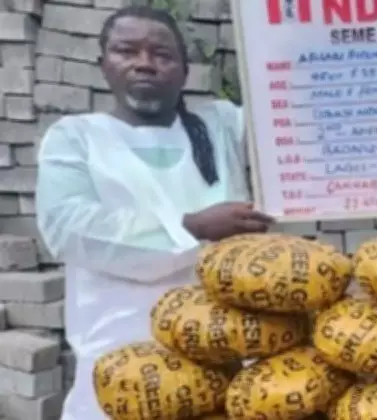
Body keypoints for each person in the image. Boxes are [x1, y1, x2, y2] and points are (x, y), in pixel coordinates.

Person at [34, 6, 272, 420]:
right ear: (103, 65)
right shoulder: (75, 138)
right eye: (127, 51)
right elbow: (67, 228)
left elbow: (294, 122)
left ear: (184, 71)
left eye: (162, 54)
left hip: (221, 351)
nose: (145, 63)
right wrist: (191, 227)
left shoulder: (221, 126)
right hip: (119, 358)